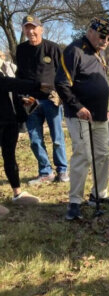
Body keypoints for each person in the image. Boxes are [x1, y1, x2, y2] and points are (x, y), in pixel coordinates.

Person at [55, 17, 109, 220]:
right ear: (90, 31)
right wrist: (78, 107)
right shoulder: (74, 50)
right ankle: (74, 202)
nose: (105, 41)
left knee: (103, 155)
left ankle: (98, 194)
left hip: (100, 115)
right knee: (83, 155)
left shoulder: (98, 54)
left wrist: (106, 108)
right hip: (80, 116)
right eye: (103, 36)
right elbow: (61, 83)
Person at [16, 15, 69, 185]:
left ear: (41, 29)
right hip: (30, 101)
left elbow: (63, 73)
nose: (30, 31)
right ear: (24, 30)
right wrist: (21, 95)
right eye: (27, 27)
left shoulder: (52, 48)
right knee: (35, 139)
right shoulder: (21, 49)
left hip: (50, 100)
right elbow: (20, 75)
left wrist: (60, 93)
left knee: (57, 137)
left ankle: (62, 170)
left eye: (34, 27)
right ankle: (45, 172)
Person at [0, 56, 45, 215]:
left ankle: (17, 194)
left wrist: (21, 100)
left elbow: (8, 91)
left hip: (9, 121)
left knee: (10, 157)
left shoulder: (3, 70)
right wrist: (38, 85)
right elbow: (8, 83)